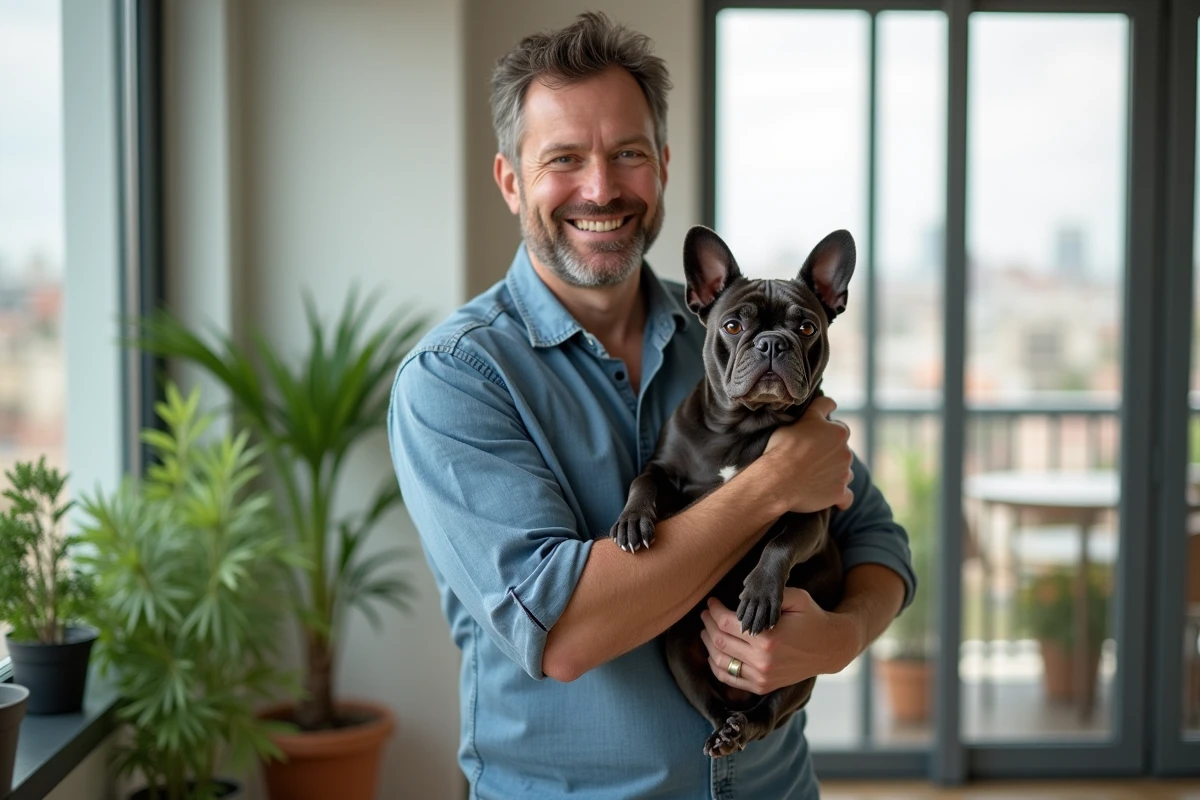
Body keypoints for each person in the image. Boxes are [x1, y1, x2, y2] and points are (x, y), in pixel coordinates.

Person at [388, 11, 916, 799]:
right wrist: (769, 487)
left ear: (662, 167)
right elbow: (565, 633)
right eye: (564, 158)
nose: (601, 188)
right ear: (510, 180)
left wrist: (838, 638)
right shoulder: (455, 380)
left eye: (627, 154)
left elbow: (874, 536)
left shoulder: (730, 333)